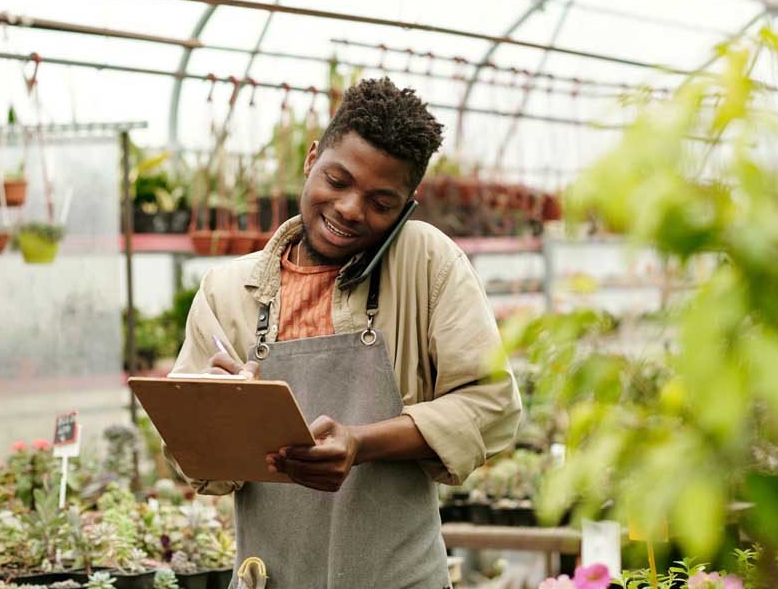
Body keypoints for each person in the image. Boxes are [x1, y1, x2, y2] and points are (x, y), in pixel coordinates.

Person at [168, 77, 522, 588]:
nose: (351, 209)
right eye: (338, 180)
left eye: (381, 202)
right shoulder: (228, 291)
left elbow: (493, 407)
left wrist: (361, 442)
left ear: (408, 204)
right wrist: (226, 415)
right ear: (312, 159)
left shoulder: (425, 263)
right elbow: (200, 466)